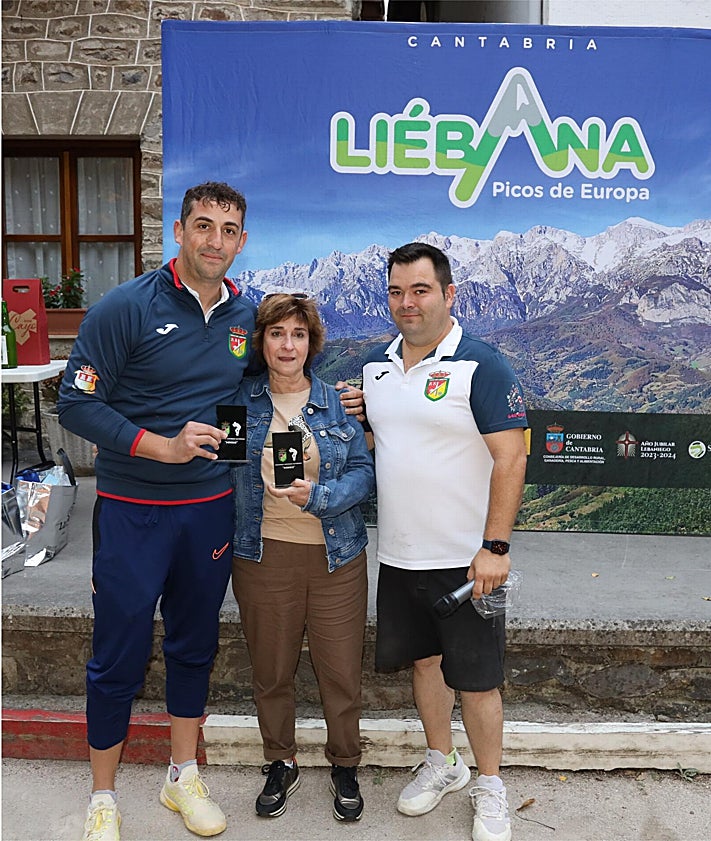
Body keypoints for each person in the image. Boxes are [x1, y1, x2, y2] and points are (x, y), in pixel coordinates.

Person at [58, 181, 255, 841]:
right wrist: (158, 446)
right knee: (117, 653)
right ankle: (103, 796)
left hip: (209, 512)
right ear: (179, 231)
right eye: (203, 226)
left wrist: (332, 410)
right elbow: (76, 402)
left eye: (228, 230)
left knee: (193, 645)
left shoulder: (244, 316)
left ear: (241, 241)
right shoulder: (126, 307)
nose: (214, 241)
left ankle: (181, 776)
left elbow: (249, 395)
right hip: (132, 510)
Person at [362, 242, 528, 841]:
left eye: (420, 290)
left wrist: (497, 547)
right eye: (396, 291)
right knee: (425, 665)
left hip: (469, 562)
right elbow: (386, 445)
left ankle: (490, 785)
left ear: (449, 293)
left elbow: (512, 457)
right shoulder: (374, 369)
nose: (407, 303)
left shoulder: (482, 364)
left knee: (479, 681)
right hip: (400, 556)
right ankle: (443, 763)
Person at [231, 293, 374, 824]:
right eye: (276, 333)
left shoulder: (339, 404)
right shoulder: (241, 402)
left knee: (340, 671)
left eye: (298, 334)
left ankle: (345, 763)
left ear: (311, 343)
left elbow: (363, 472)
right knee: (271, 670)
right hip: (263, 557)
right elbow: (226, 476)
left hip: (336, 558)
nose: (287, 344)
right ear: (261, 342)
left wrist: (322, 495)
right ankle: (280, 760)